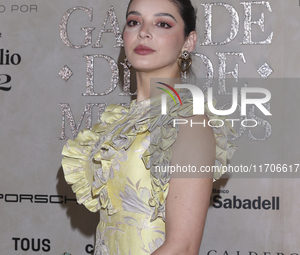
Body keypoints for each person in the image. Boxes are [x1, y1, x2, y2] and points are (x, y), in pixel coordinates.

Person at [61, 0, 237, 254]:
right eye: (134, 21)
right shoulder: (118, 123)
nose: (143, 32)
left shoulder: (189, 121)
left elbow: (182, 247)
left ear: (188, 41)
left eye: (162, 23)